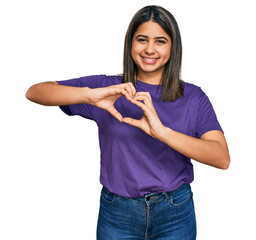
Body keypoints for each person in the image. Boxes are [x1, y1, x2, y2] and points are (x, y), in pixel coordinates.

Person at [26, 5, 230, 240]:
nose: (150, 49)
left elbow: (221, 158)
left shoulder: (193, 97)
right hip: (117, 214)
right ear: (130, 44)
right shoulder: (108, 89)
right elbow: (35, 92)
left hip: (175, 213)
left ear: (173, 46)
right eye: (142, 40)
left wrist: (162, 132)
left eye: (160, 41)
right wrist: (90, 95)